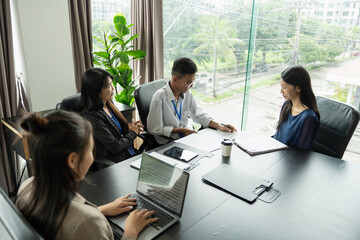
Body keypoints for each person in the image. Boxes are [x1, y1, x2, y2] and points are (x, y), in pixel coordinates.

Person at [15, 111, 158, 240]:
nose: (92, 157)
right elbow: (81, 223)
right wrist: (131, 231)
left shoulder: (26, 187)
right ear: (72, 160)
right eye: (91, 150)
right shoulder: (89, 223)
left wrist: (102, 209)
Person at [147, 57, 236, 144]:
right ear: (175, 79)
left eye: (192, 82)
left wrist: (219, 125)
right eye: (188, 83)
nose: (192, 86)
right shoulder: (159, 97)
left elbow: (198, 115)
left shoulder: (187, 93)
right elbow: (154, 129)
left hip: (186, 138)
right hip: (167, 142)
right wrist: (181, 130)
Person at [79, 68, 144, 163]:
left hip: (129, 153)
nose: (113, 88)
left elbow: (119, 134)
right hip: (115, 162)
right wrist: (133, 133)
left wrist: (132, 129)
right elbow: (115, 146)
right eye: (108, 86)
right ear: (95, 90)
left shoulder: (108, 104)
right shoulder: (91, 116)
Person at [273, 65, 320, 150]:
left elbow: (299, 152)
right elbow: (277, 136)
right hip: (277, 153)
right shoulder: (286, 106)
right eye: (281, 87)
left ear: (298, 88)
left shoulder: (309, 118)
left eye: (284, 87)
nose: (281, 91)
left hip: (289, 160)